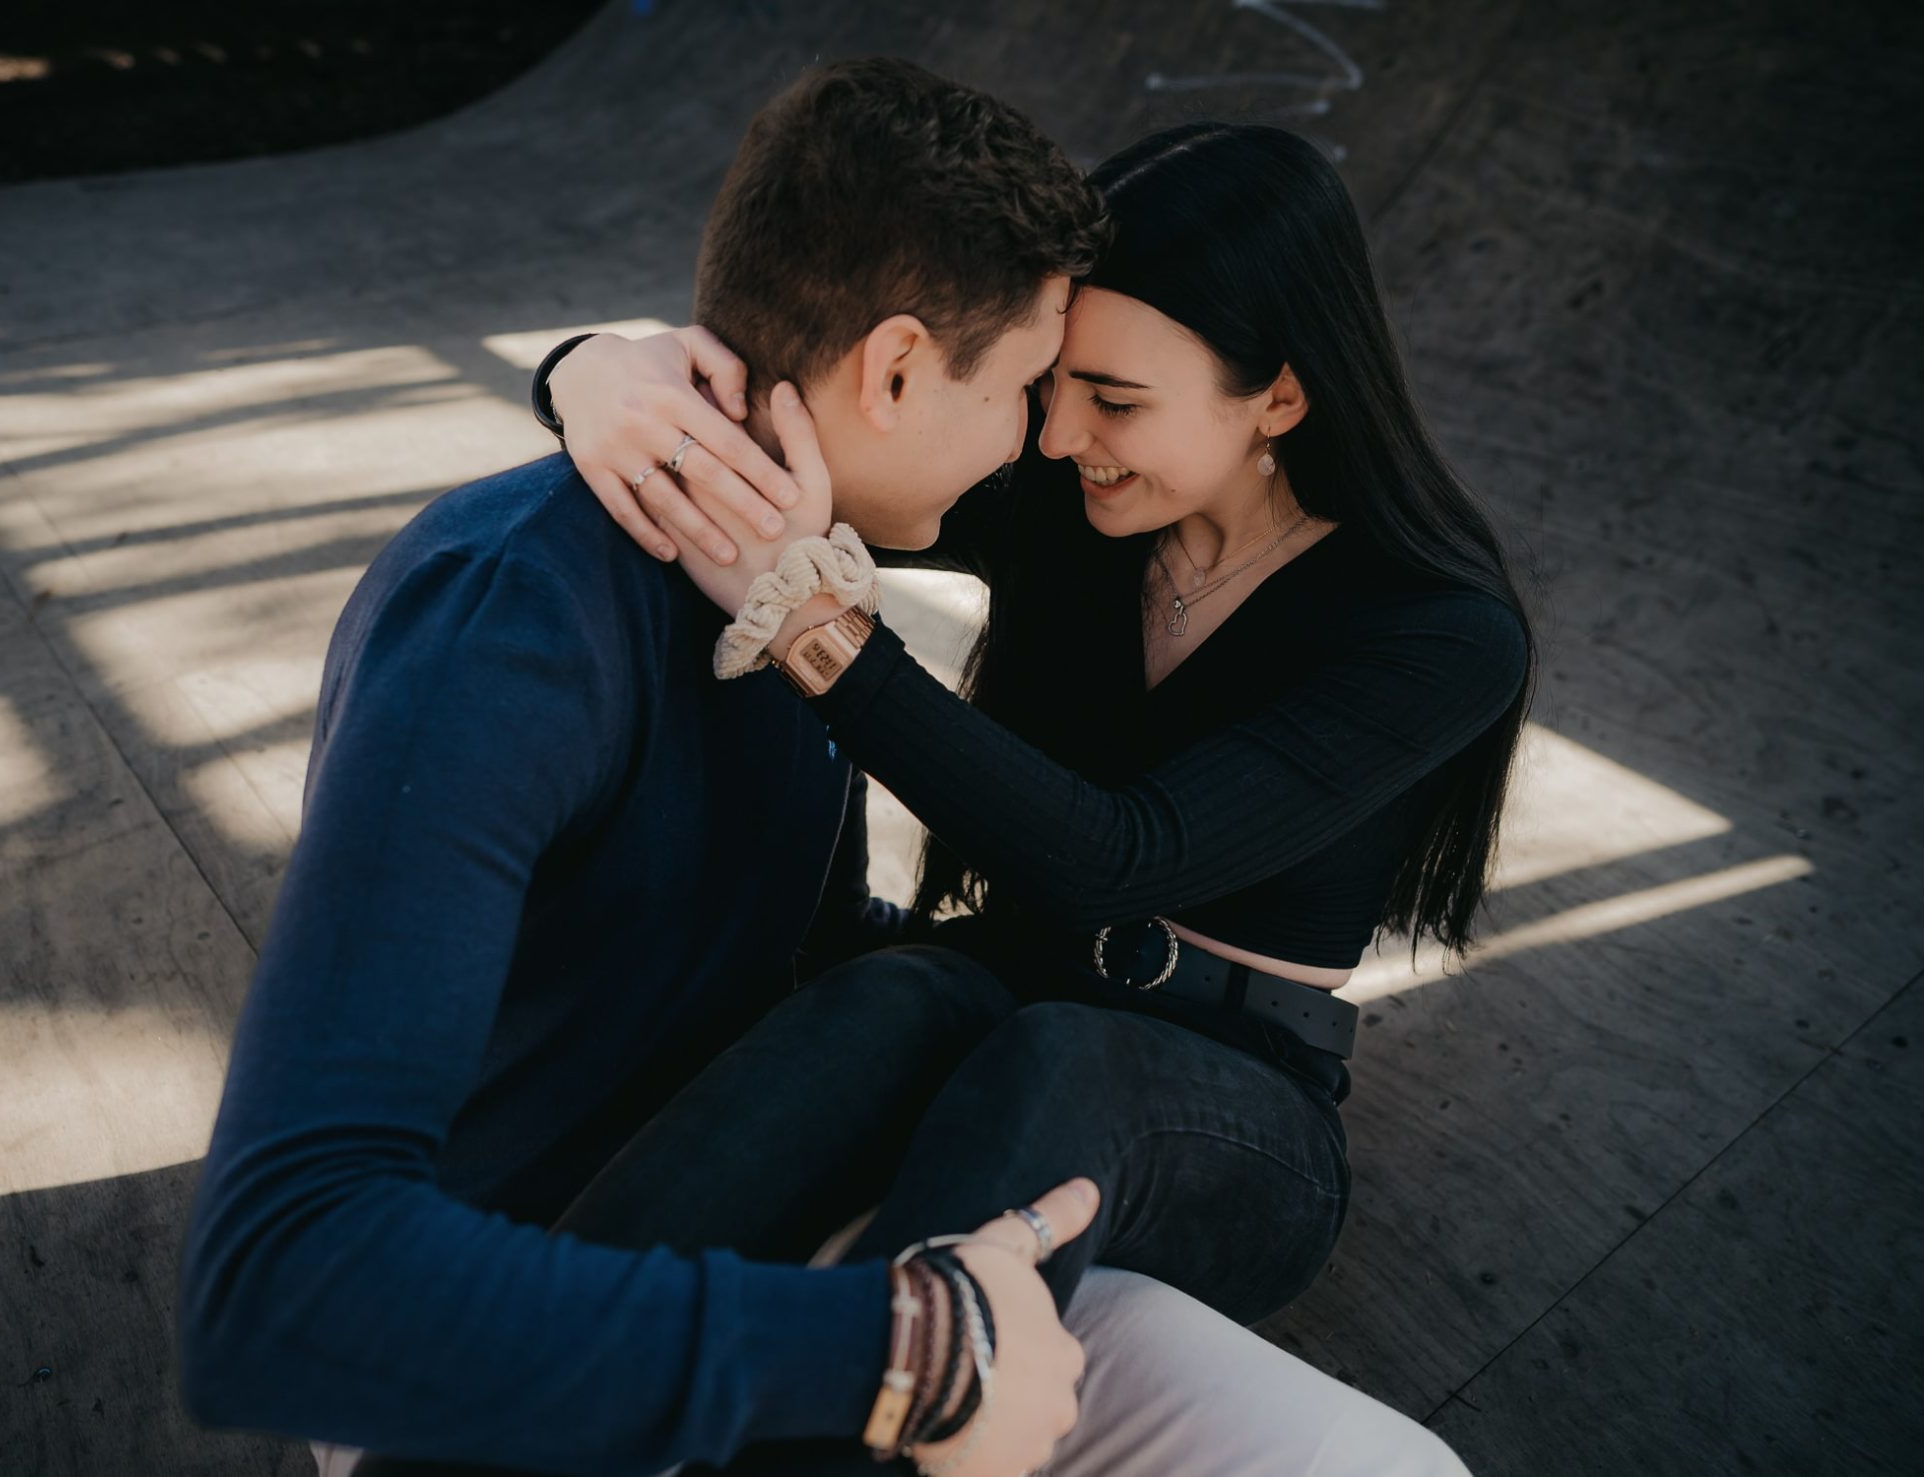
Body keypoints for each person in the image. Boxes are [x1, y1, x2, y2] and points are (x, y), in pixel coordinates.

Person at [520, 119, 1534, 1471]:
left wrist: (820, 636)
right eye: (1055, 384)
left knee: (1059, 1057)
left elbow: (1127, 857)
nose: (1057, 437)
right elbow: (812, 428)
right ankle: (500, 1380)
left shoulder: (1437, 632)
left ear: (1279, 399)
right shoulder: (1079, 503)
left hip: (1236, 1106)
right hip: (1007, 990)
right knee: (893, 988)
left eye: (1116, 401)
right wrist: (593, 371)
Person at [178, 56, 1116, 1477]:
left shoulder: (803, 578)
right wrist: (896, 1349)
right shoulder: (512, 622)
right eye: (1033, 388)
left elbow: (782, 947)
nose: (1045, 439)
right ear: (900, 367)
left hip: (748, 1210)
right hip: (505, 1352)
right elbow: (282, 1283)